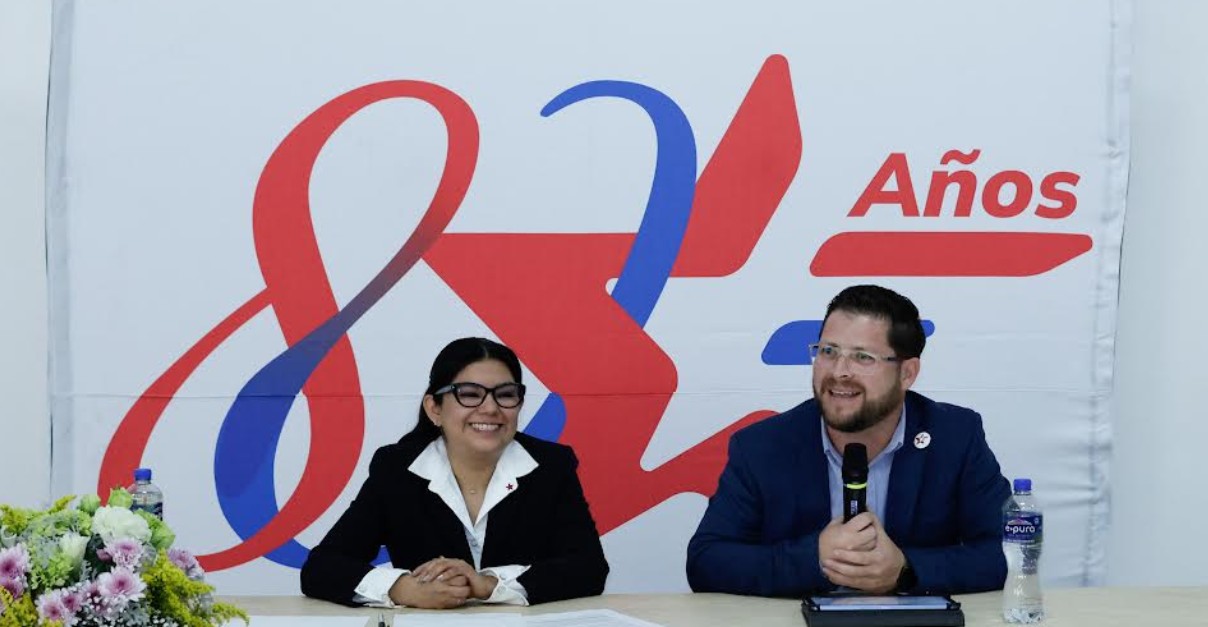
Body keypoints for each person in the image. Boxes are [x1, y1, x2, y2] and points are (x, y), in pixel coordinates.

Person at [686, 285, 1010, 597]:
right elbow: (706, 562)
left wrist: (906, 569)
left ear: (907, 373)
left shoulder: (954, 437)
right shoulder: (763, 446)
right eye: (828, 352)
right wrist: (815, 557)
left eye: (863, 357)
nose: (840, 371)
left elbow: (1009, 552)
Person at [301, 337, 609, 608]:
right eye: (470, 394)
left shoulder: (551, 466)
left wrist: (488, 585)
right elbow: (322, 567)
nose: (490, 409)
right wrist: (403, 589)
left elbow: (589, 568)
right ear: (434, 408)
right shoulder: (396, 470)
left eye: (505, 394)